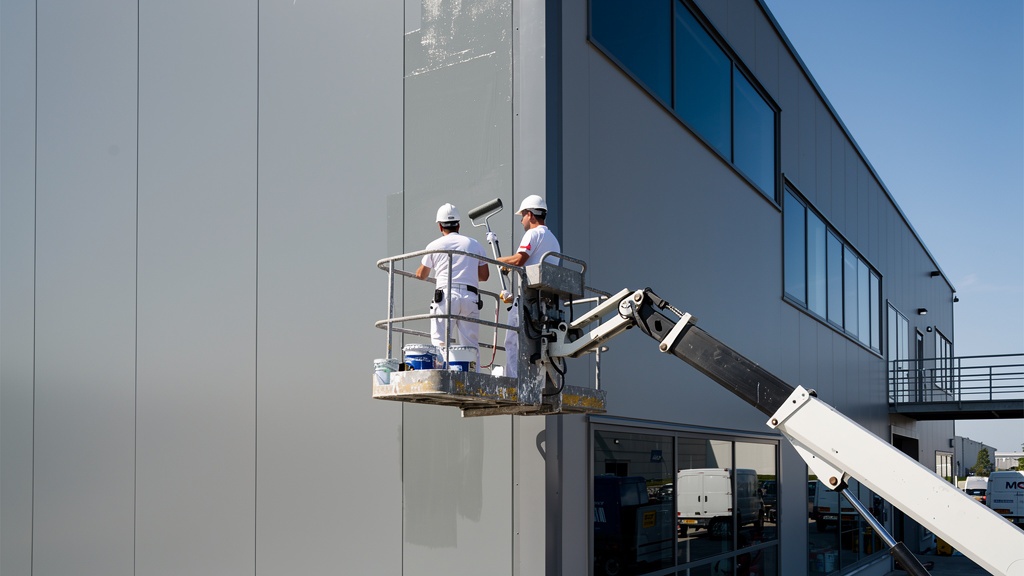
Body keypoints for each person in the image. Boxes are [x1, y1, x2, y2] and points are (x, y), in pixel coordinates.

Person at [494, 195, 560, 378]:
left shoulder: (533, 233)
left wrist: (498, 261)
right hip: (544, 301)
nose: (522, 220)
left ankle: (514, 380)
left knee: (513, 342)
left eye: (522, 215)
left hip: (527, 300)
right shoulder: (553, 239)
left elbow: (519, 259)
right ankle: (532, 378)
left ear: (530, 215)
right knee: (534, 345)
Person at [415, 203, 490, 364]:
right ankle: (473, 379)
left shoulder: (434, 246)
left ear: (440, 226)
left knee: (440, 342)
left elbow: (422, 275)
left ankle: (442, 376)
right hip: (471, 298)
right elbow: (484, 276)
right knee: (471, 345)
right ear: (458, 224)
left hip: (446, 297)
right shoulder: (474, 244)